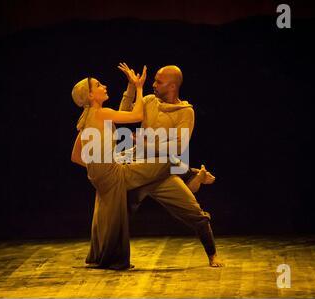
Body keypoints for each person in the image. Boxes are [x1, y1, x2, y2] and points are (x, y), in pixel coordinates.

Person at [118, 63, 224, 267]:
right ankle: (113, 256)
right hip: (139, 169)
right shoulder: (148, 100)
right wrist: (132, 87)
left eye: (159, 81)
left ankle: (212, 255)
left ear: (172, 86)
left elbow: (179, 144)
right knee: (120, 214)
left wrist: (147, 143)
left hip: (161, 173)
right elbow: (124, 113)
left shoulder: (185, 111)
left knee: (195, 213)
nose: (153, 84)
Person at [71, 66, 175, 270]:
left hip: (100, 174)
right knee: (165, 163)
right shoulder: (102, 113)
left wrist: (97, 167)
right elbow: (136, 115)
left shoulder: (85, 119)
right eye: (99, 85)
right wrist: (138, 87)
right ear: (91, 95)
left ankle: (100, 257)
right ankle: (113, 260)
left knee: (105, 214)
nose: (104, 86)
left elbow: (75, 156)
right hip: (110, 173)